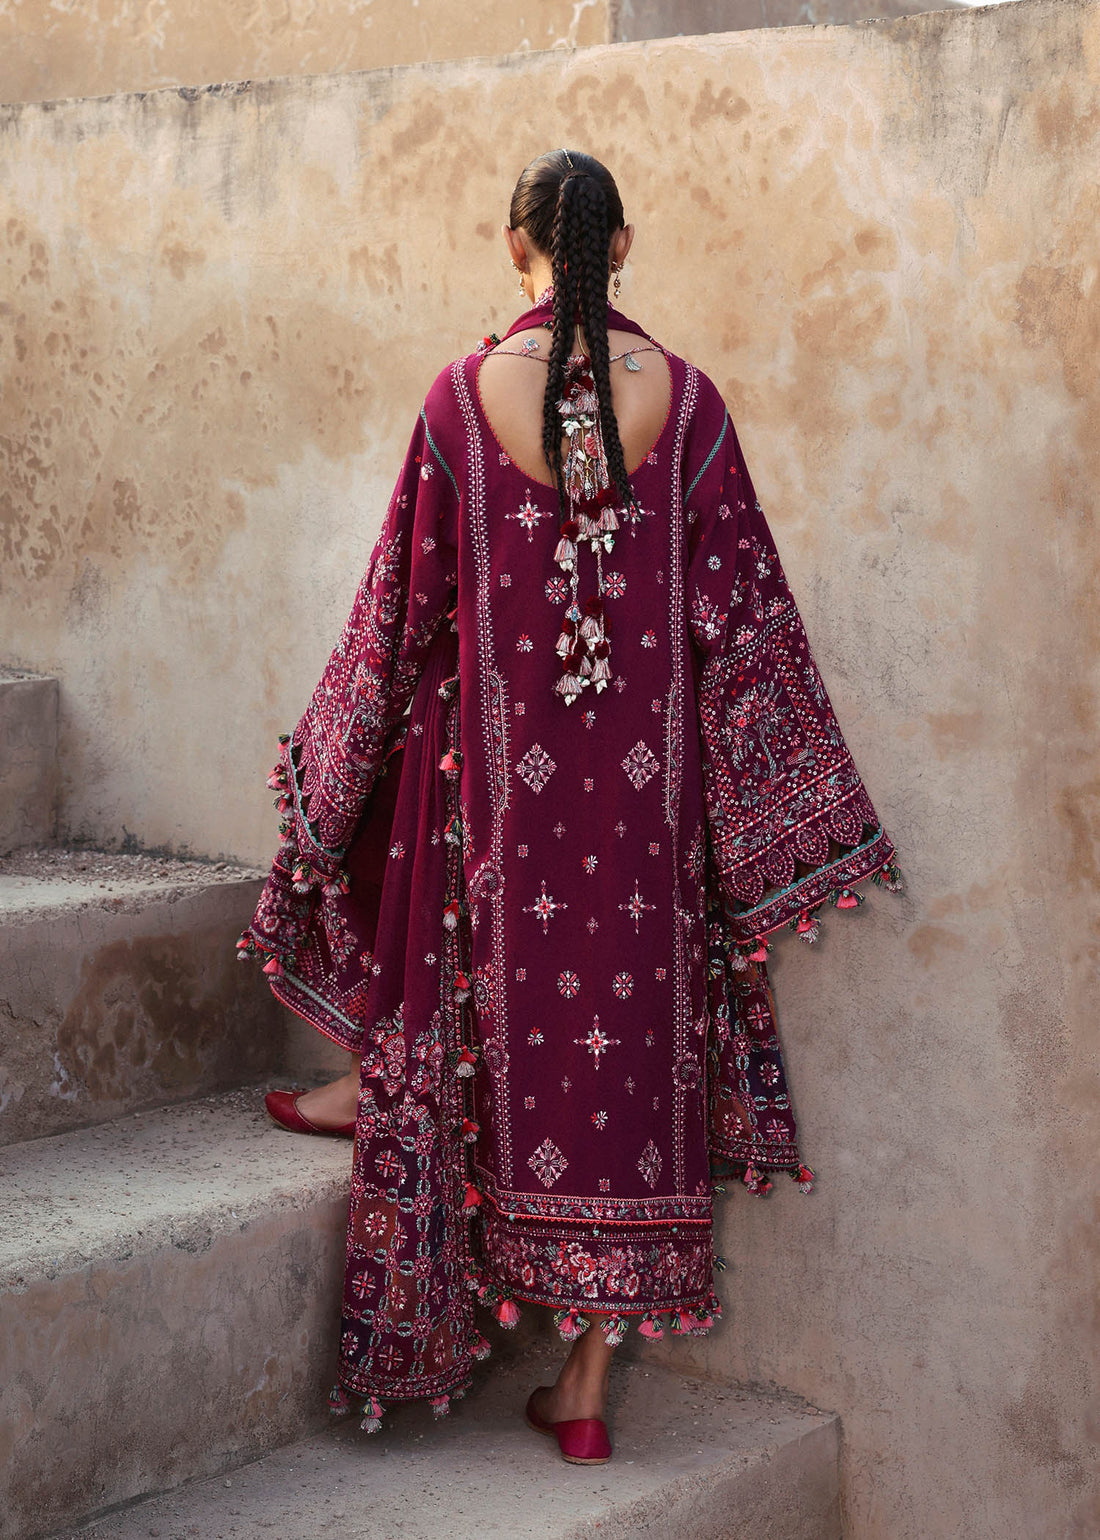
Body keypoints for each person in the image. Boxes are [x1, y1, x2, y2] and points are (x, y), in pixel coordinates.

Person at [238, 148, 899, 1466]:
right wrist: (781, 822)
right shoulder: (693, 407)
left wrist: (330, 781)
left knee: (442, 958)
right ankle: (586, 1390)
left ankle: (373, 1097)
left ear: (513, 248)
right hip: (643, 817)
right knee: (632, 1066)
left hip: (488, 798)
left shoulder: (455, 398)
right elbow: (746, 627)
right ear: (628, 243)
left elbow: (397, 614)